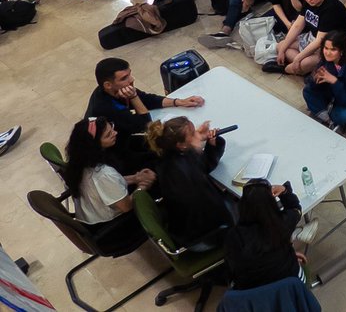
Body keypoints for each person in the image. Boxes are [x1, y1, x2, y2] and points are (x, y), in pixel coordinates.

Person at [144, 117, 231, 245]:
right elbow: (213, 212)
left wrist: (211, 145)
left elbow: (204, 166)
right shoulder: (186, 173)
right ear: (181, 144)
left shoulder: (170, 155)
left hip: (187, 227)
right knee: (242, 206)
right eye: (193, 133)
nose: (198, 133)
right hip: (204, 236)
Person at [63, 117, 153, 234]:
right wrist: (143, 186)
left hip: (90, 218)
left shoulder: (79, 162)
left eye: (112, 128)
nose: (115, 133)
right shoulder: (103, 174)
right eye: (108, 135)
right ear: (94, 144)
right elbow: (127, 206)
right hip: (110, 228)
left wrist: (135, 178)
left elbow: (109, 185)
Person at [223, 180, 304, 290]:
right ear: (271, 203)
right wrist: (285, 190)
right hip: (292, 287)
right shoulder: (282, 223)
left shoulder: (233, 235)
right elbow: (295, 208)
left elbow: (233, 267)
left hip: (254, 298)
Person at [268, 0, 346, 76]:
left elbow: (319, 41)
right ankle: (304, 69)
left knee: (304, 63)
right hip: (313, 37)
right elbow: (297, 26)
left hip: (330, 44)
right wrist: (282, 50)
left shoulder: (331, 9)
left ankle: (286, 69)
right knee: (280, 46)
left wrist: (298, 59)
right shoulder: (309, 1)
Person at [302, 31, 346, 129]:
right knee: (307, 91)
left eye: (333, 49)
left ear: (342, 51)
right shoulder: (327, 59)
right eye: (326, 48)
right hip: (335, 92)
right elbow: (311, 85)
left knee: (343, 116)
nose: (328, 53)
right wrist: (315, 78)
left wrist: (334, 81)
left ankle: (323, 113)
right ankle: (327, 117)